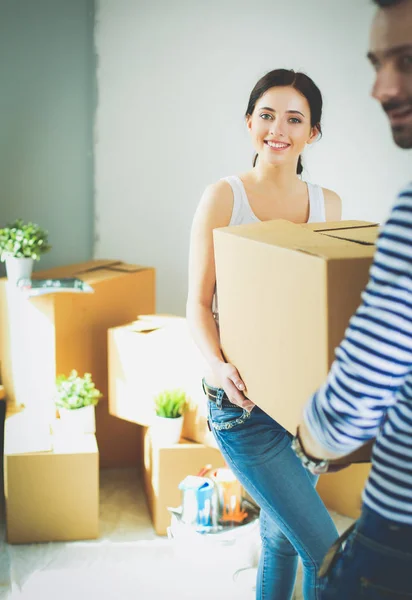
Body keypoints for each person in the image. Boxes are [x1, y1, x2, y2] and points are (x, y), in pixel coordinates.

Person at [186, 68, 342, 600]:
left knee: (281, 541)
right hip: (244, 407)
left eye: (294, 119)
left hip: (304, 410)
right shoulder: (224, 197)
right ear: (249, 122)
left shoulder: (328, 206)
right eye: (267, 115)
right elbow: (197, 304)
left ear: (312, 133)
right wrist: (219, 367)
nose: (278, 128)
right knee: (326, 553)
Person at [293, 1, 412, 598]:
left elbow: (351, 405)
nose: (383, 88)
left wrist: (309, 444)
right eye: (378, 64)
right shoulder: (222, 196)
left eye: (408, 62)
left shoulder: (394, 210)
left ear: (314, 130)